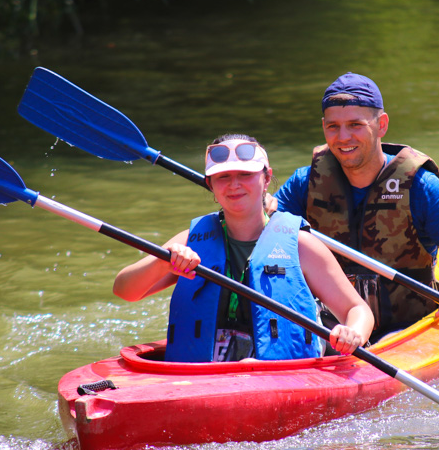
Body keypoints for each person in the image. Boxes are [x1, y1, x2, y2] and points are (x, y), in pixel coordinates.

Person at [113, 134, 374, 362]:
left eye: (245, 175)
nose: (234, 184)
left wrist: (352, 333)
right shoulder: (189, 242)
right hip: (202, 377)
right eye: (223, 177)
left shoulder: (301, 245)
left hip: (283, 374)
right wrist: (162, 261)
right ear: (210, 186)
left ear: (266, 177)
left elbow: (357, 310)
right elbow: (124, 290)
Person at [272, 73, 439, 341]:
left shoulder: (421, 186)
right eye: (333, 127)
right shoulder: (304, 184)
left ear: (381, 124)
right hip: (333, 330)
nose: (343, 137)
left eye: (355, 125)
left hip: (407, 330)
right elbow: (256, 233)